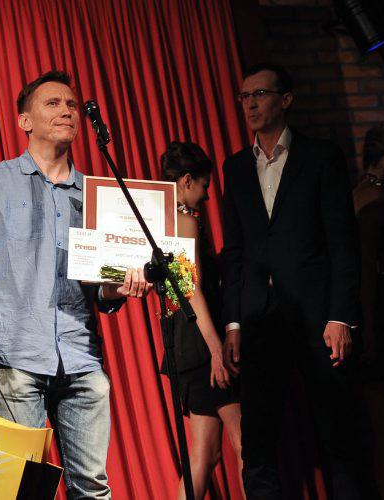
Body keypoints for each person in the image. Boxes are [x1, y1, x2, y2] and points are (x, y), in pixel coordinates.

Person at [0, 70, 147, 499]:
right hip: (14, 357)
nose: (66, 111)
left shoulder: (94, 193)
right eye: (53, 103)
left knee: (93, 487)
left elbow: (100, 290)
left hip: (81, 358)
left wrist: (120, 285)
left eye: (71, 105)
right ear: (25, 121)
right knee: (21, 489)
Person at [221, 63, 376, 498]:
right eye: (244, 96)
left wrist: (341, 316)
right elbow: (234, 252)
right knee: (259, 444)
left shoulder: (320, 157)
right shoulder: (235, 168)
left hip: (318, 320)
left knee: (340, 437)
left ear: (285, 100)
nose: (250, 104)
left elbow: (343, 243)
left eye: (260, 94)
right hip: (260, 321)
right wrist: (233, 323)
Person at [159, 142, 243, 499]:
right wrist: (216, 350)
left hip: (184, 345)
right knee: (246, 444)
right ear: (187, 180)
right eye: (205, 186)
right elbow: (189, 289)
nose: (207, 196)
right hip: (202, 344)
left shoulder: (164, 220)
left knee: (205, 455)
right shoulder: (185, 222)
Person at [352, 123, 384, 498]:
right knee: (383, 428)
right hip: (376, 318)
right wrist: (368, 327)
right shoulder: (375, 202)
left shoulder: (360, 192)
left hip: (369, 316)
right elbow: (365, 267)